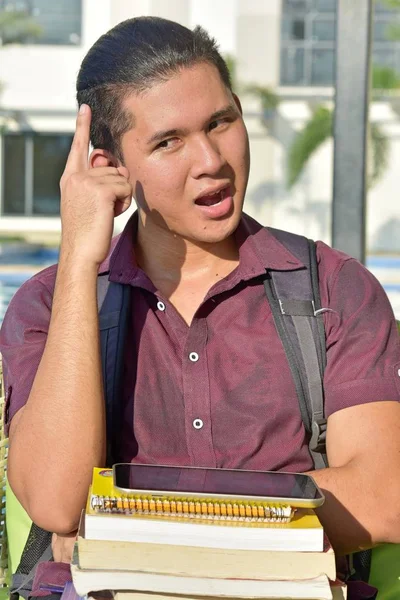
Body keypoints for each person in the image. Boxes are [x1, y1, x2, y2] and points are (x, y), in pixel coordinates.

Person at [1, 15, 400, 575]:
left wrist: (119, 527)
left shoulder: (333, 290)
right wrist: (77, 262)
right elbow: (56, 502)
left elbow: (383, 498)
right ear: (110, 168)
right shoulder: (49, 305)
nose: (211, 161)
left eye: (221, 122)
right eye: (169, 142)